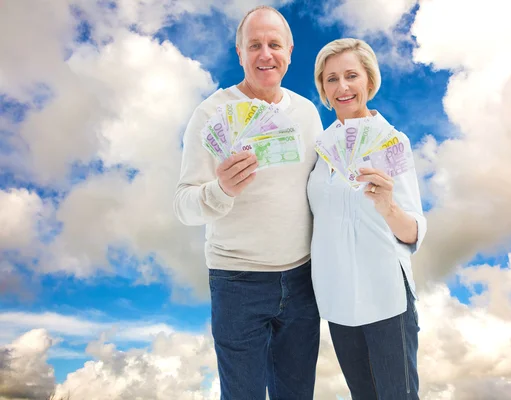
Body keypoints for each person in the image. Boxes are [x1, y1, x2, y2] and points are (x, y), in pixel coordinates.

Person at [173, 6, 323, 400]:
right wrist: (220, 189)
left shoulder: (306, 114)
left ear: (290, 50)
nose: (265, 54)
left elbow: (320, 190)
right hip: (237, 281)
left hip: (302, 280)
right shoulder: (210, 114)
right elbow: (183, 205)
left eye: (274, 44)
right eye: (254, 45)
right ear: (239, 52)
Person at [308, 38, 427, 399]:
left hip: (386, 297)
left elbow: (413, 233)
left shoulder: (392, 143)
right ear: (323, 91)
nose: (342, 87)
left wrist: (389, 205)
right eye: (331, 80)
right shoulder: (319, 150)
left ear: (369, 82)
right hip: (338, 299)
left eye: (350, 76)